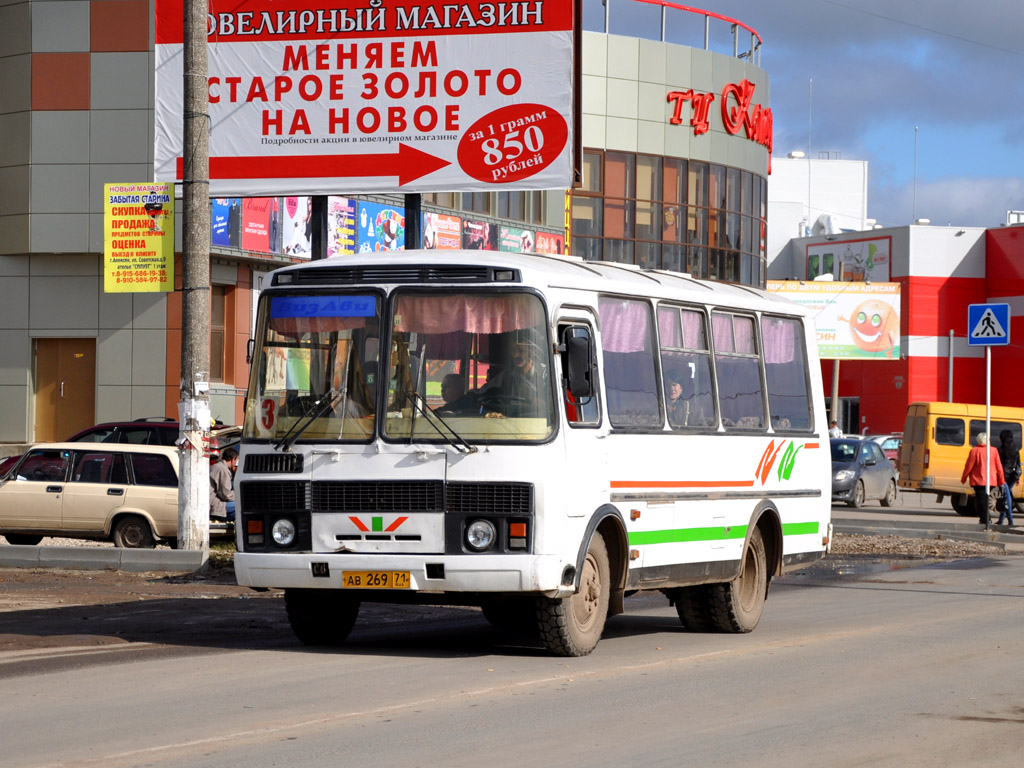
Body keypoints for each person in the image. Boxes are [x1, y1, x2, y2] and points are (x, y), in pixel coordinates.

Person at [960, 432, 1004, 527]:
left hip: (978, 480)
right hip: (991, 480)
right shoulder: (994, 450)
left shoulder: (975, 451)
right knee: (985, 499)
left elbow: (969, 466)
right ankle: (985, 519)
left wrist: (964, 478)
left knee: (981, 500)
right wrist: (1001, 480)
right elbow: (999, 467)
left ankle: (985, 519)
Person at [996, 430, 1020, 526]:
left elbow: (998, 464)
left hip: (1004, 477)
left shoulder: (1000, 450)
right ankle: (1002, 520)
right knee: (1006, 496)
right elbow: (1018, 463)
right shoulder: (1016, 449)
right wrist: (1017, 478)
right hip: (1013, 476)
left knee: (1006, 497)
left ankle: (1010, 520)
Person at [210, 447, 238, 522]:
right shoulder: (223, 470)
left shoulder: (216, 466)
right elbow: (225, 494)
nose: (236, 463)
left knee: (237, 514)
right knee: (243, 504)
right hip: (214, 505)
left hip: (211, 503)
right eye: (236, 460)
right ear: (233, 459)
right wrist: (239, 496)